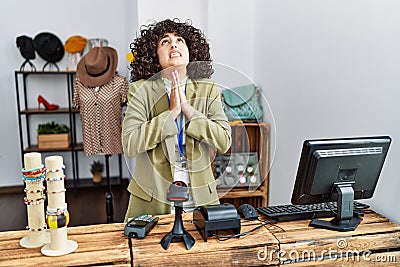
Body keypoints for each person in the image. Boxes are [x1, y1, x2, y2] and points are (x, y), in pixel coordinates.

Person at [122, 19, 231, 220]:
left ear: (191, 52)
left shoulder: (208, 89)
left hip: (200, 199)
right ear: (154, 55)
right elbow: (130, 144)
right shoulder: (140, 90)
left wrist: (188, 110)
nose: (173, 44)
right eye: (165, 41)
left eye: (180, 40)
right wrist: (171, 113)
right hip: (153, 200)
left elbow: (224, 141)